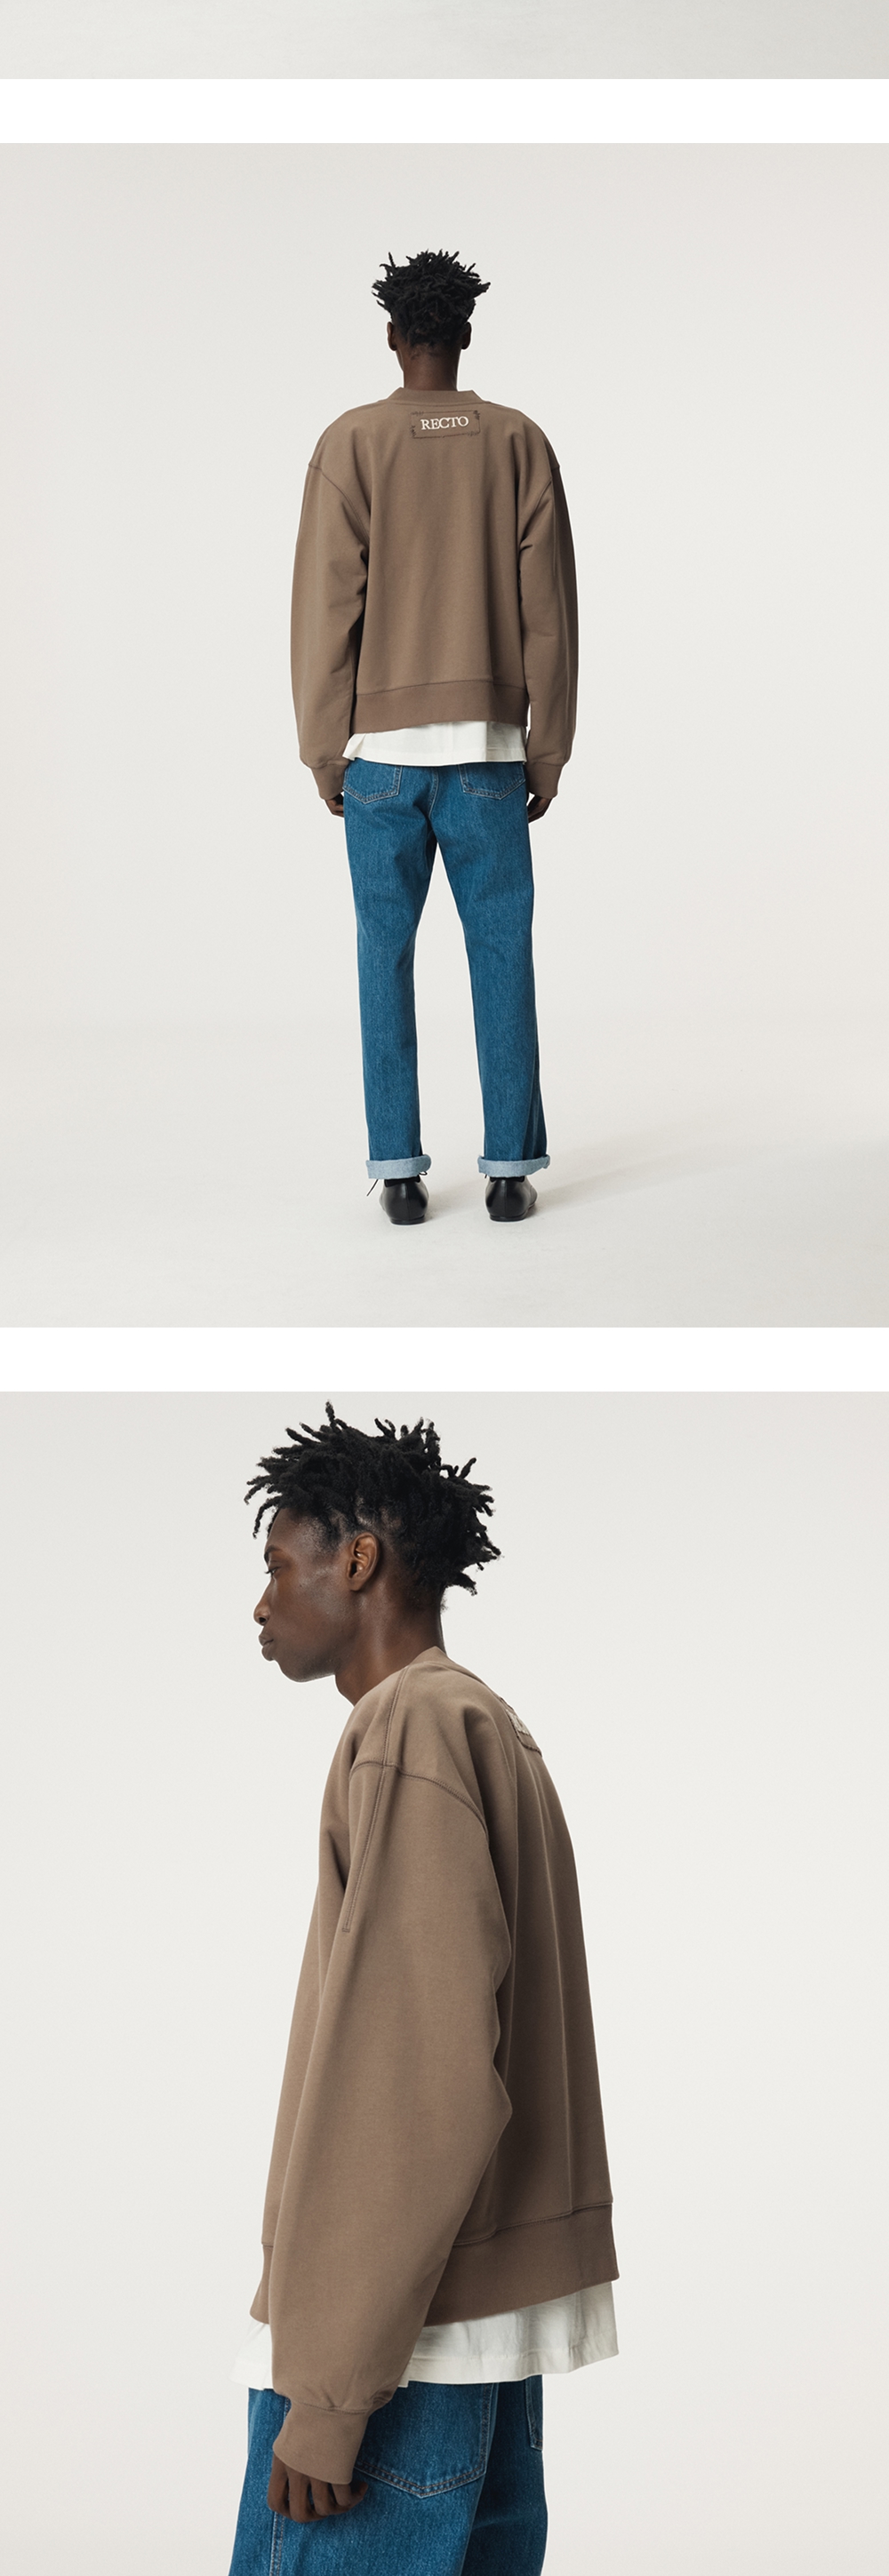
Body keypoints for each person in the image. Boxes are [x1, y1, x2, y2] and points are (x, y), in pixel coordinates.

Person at [230, 1402, 617, 2555]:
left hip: (394, 2360)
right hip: (467, 2339)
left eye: (278, 1565)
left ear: (358, 1560)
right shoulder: (483, 1721)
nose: (261, 1602)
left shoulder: (411, 1728)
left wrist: (330, 2392)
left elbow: (417, 2077)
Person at [291, 238, 578, 1218]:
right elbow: (550, 613)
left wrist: (323, 746)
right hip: (491, 757)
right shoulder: (517, 441)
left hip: (379, 760)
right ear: (466, 332)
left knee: (384, 955)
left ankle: (400, 1171)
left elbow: (326, 609)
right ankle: (509, 1171)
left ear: (391, 336)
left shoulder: (351, 442)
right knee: (502, 951)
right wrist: (548, 746)